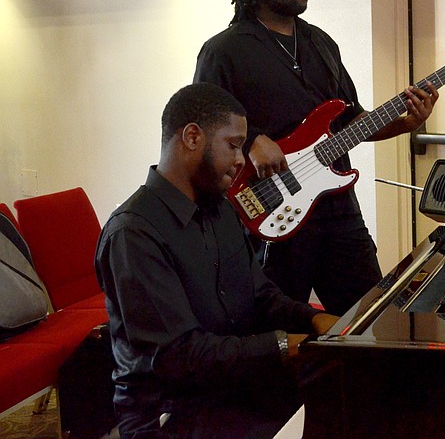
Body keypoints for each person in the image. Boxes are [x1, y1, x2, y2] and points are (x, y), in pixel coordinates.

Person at [194, 0, 439, 315]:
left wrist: (406, 123)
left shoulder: (321, 44)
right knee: (280, 326)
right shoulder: (225, 50)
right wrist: (252, 139)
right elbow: (202, 123)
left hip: (337, 209)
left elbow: (351, 120)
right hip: (271, 209)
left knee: (369, 317)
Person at [95, 83, 339, 438]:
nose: (241, 159)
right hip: (170, 414)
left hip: (229, 390)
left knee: (348, 397)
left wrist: (316, 319)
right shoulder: (133, 233)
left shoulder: (222, 211)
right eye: (233, 145)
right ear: (192, 137)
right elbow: (181, 356)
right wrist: (290, 345)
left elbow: (261, 297)